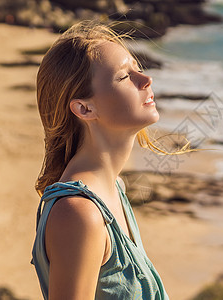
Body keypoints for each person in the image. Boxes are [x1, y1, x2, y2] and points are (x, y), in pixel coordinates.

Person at [31, 21, 184, 299]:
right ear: (85, 108)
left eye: (138, 68)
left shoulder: (114, 188)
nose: (145, 80)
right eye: (125, 77)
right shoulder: (80, 213)